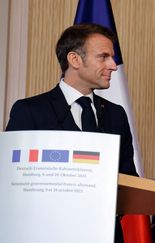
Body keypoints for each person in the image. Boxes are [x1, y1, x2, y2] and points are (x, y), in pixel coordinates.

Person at [5, 24, 138, 243]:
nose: (113, 65)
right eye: (103, 57)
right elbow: (13, 182)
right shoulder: (29, 110)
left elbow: (128, 178)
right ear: (75, 60)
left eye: (112, 57)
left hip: (106, 235)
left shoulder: (116, 114)